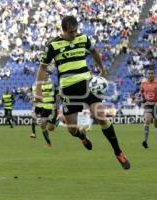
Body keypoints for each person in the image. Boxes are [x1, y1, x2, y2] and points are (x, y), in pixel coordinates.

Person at [35, 16, 130, 169]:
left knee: (101, 116)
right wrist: (38, 89)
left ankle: (118, 152)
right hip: (68, 89)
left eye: (76, 31)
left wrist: (102, 69)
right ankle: (82, 136)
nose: (74, 34)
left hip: (87, 83)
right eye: (71, 32)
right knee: (72, 129)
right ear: (64, 30)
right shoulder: (53, 45)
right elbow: (42, 67)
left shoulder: (83, 38)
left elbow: (94, 52)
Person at [31, 72, 59, 147]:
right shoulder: (40, 86)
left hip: (52, 108)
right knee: (42, 125)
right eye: (44, 75)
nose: (44, 77)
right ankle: (48, 142)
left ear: (48, 76)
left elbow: (58, 95)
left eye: (46, 75)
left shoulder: (52, 85)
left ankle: (57, 121)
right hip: (44, 108)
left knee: (50, 128)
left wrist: (57, 104)